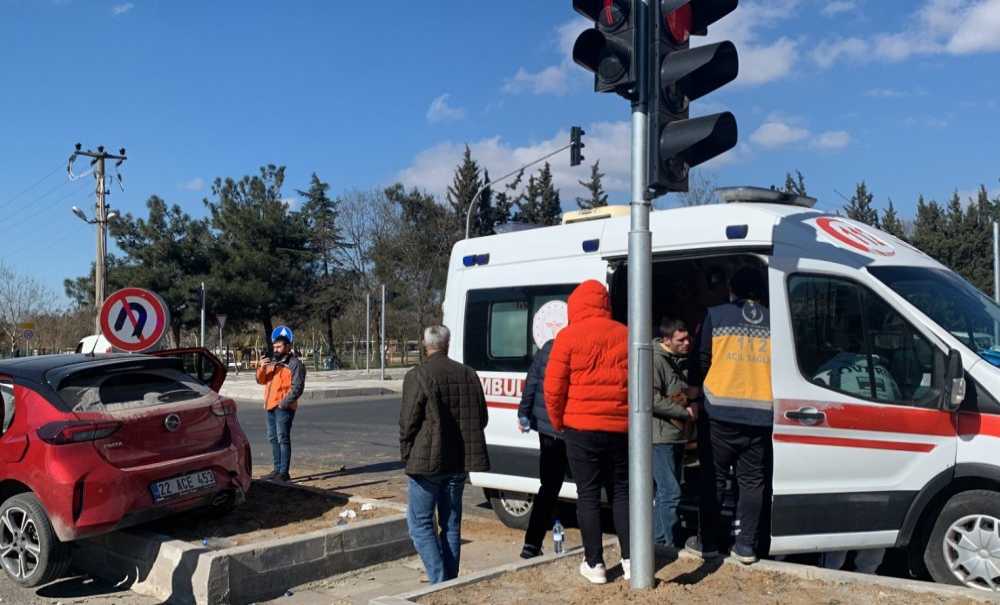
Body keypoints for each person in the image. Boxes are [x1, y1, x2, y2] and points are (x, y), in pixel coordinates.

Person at [544, 280, 630, 584]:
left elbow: (553, 388)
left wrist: (558, 422)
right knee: (621, 492)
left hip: (580, 428)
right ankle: (631, 559)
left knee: (588, 496)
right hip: (620, 428)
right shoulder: (626, 334)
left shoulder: (566, 338)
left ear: (575, 306)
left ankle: (595, 564)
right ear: (605, 304)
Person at [687, 267, 772, 565]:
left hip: (719, 411)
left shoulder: (717, 314)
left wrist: (694, 395)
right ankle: (746, 546)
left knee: (715, 479)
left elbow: (700, 358)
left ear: (732, 291)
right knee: (752, 482)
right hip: (761, 414)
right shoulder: (776, 321)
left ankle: (708, 543)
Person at [399, 326, 489, 584]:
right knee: (450, 523)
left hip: (426, 462)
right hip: (457, 461)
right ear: (448, 344)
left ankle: (439, 581)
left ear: (425, 345)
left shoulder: (417, 375)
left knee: (420, 523)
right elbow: (481, 418)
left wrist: (406, 452)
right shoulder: (468, 374)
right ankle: (450, 580)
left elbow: (408, 422)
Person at [516, 310, 568, 559]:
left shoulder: (548, 347)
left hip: (548, 431)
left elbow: (532, 383)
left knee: (548, 487)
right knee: (589, 488)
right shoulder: (574, 349)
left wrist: (523, 414)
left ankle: (531, 545)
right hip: (571, 430)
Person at [651, 318, 694, 548]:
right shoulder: (656, 360)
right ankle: (665, 545)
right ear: (667, 340)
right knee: (670, 492)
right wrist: (684, 411)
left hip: (674, 435)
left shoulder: (675, 360)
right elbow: (651, 399)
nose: (687, 343)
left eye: (688, 338)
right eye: (681, 340)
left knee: (667, 492)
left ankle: (660, 541)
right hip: (661, 437)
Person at [256, 334, 306, 482]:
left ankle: (284, 472)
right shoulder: (272, 362)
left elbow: (298, 387)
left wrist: (283, 403)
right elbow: (261, 381)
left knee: (282, 438)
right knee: (272, 438)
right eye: (275, 347)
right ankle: (277, 469)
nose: (276, 349)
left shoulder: (295, 364)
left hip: (283, 407)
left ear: (288, 347)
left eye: (279, 347)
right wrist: (261, 367)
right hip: (269, 405)